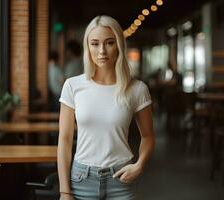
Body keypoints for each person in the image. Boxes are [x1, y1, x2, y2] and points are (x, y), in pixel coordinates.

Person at [58, 15, 155, 200]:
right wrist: (64, 191)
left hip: (122, 178)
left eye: (109, 43)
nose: (102, 51)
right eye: (95, 44)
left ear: (119, 45)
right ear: (88, 46)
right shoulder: (72, 86)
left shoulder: (137, 89)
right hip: (82, 179)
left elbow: (148, 136)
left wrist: (140, 165)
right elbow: (65, 140)